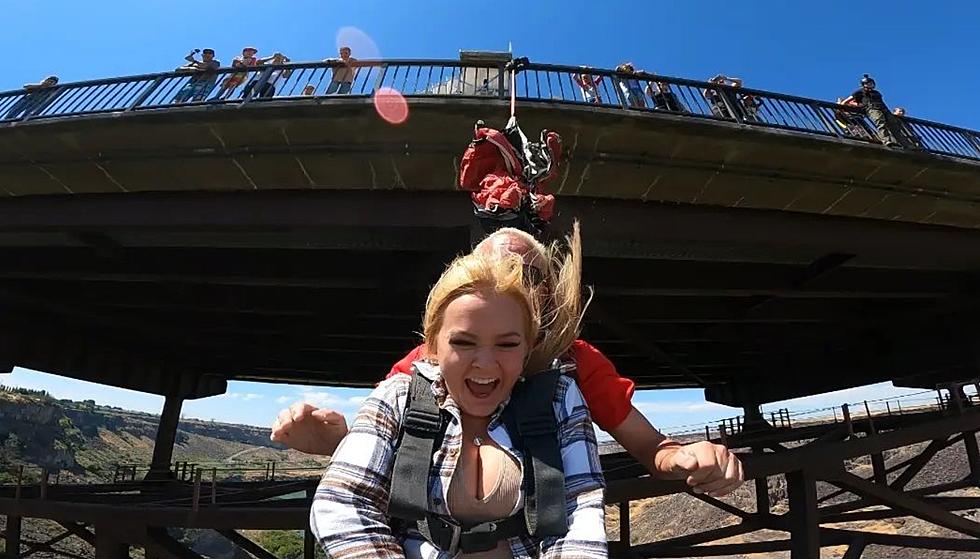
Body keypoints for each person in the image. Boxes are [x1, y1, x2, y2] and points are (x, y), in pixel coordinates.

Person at [273, 227, 745, 498]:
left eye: (527, 274)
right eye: (495, 271)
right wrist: (336, 441)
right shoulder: (432, 358)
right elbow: (382, 447)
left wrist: (687, 456)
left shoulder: (575, 363)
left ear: (548, 292)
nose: (510, 284)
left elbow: (648, 445)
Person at [311, 224, 608, 558]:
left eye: (507, 344)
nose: (484, 364)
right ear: (432, 343)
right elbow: (342, 502)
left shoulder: (559, 400)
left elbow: (580, 507)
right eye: (463, 342)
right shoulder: (398, 397)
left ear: (528, 347)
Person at [840, 74, 905, 147]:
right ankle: (886, 140)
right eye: (868, 83)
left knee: (894, 125)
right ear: (864, 85)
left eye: (871, 83)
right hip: (872, 108)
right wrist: (846, 107)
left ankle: (903, 143)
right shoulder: (859, 92)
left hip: (884, 109)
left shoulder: (876, 92)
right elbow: (846, 101)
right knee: (881, 123)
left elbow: (882, 102)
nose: (870, 84)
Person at [211, 47, 276, 101]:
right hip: (233, 74)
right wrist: (242, 64)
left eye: (252, 53)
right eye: (249, 52)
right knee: (225, 85)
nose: (251, 53)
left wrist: (244, 64)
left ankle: (225, 97)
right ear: (244, 52)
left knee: (233, 86)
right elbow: (236, 64)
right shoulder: (238, 58)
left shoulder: (253, 59)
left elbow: (251, 66)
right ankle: (217, 96)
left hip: (242, 75)